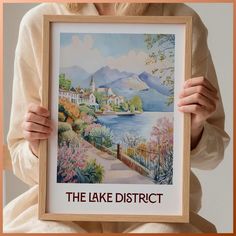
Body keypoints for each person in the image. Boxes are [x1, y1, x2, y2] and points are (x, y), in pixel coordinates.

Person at [4, 3, 230, 233]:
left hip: (159, 209)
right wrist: (35, 145)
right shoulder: (38, 22)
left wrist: (194, 129)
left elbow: (213, 156)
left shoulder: (181, 19)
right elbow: (18, 155)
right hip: (58, 210)